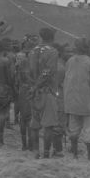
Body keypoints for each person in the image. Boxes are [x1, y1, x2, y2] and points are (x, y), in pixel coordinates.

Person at [64, 37, 90, 161]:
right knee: (89, 130)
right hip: (87, 102)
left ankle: (75, 154)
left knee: (74, 129)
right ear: (88, 48)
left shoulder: (70, 61)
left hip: (71, 102)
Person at [29, 27, 60, 159]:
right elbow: (48, 72)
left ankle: (36, 151)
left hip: (33, 92)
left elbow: (29, 70)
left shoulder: (32, 51)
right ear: (52, 38)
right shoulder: (52, 52)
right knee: (49, 125)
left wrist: (33, 87)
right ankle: (46, 153)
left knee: (35, 124)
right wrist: (37, 85)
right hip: (47, 91)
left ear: (41, 36)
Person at [15, 35, 38, 150]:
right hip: (31, 90)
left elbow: (17, 79)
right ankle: (30, 144)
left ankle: (24, 145)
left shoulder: (21, 63)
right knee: (31, 119)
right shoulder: (36, 64)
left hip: (22, 91)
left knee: (23, 118)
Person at [56, 43, 74, 153]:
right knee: (60, 125)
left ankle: (62, 148)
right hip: (60, 98)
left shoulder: (64, 65)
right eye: (67, 51)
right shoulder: (61, 67)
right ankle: (58, 150)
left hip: (65, 98)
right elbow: (56, 85)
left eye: (72, 51)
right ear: (61, 53)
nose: (70, 54)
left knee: (65, 124)